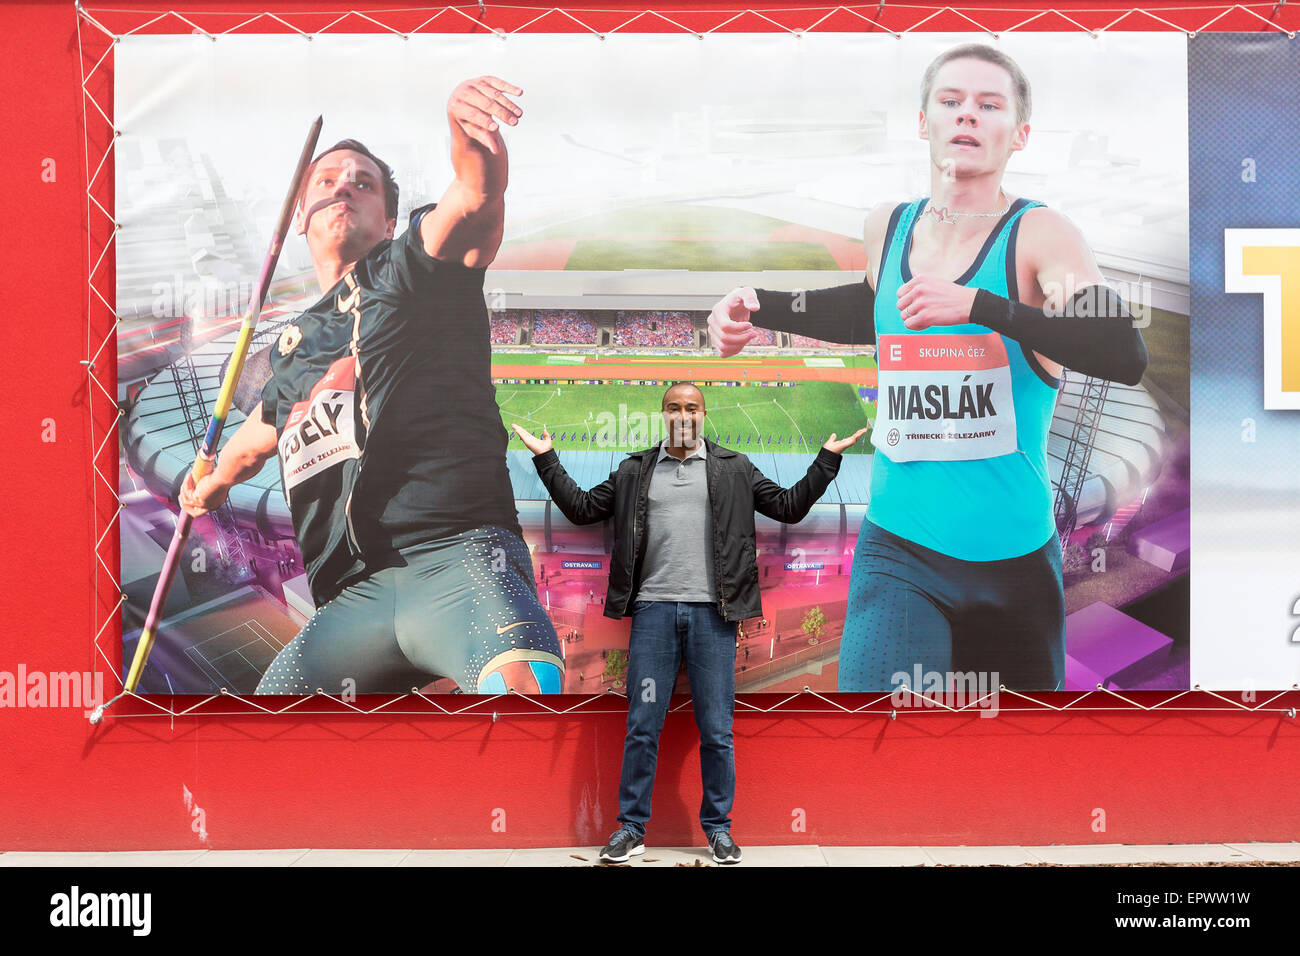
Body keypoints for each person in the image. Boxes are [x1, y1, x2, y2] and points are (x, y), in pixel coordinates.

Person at [707, 44, 1148, 694]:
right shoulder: (888, 226)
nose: (967, 115)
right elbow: (877, 308)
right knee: (875, 761)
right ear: (924, 122)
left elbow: (1122, 352)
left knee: (1015, 781)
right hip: (900, 555)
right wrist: (757, 305)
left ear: (1019, 134)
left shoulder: (1041, 234)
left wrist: (981, 305)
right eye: (952, 101)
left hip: (1018, 568)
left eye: (989, 104)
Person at [180, 76, 563, 696]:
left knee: (524, 705)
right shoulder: (291, 348)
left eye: (363, 182)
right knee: (263, 742)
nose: (343, 188)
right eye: (326, 182)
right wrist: (210, 482)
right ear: (301, 219)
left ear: (390, 220)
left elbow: (473, 196)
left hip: (457, 559)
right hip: (350, 602)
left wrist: (470, 135)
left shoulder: (412, 267)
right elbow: (252, 442)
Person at [513, 383, 866, 864]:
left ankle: (718, 829)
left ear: (704, 414)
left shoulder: (734, 468)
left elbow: (788, 507)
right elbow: (581, 509)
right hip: (654, 614)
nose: (684, 415)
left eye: (692, 407)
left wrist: (826, 459)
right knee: (643, 725)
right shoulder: (635, 469)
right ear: (663, 415)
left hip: (714, 616)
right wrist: (547, 458)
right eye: (674, 407)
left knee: (716, 729)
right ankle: (632, 828)